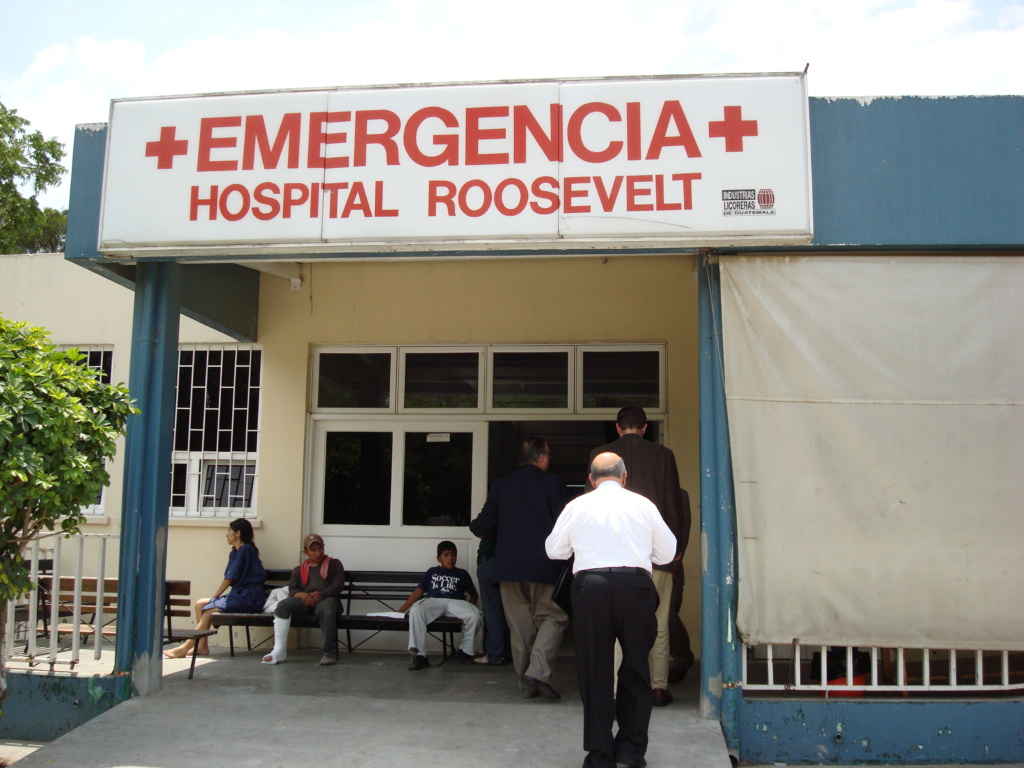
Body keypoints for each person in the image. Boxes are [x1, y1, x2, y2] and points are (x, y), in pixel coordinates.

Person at [545, 452, 676, 768]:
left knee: (595, 672)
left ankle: (599, 754)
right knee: (636, 669)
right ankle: (631, 751)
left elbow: (554, 550)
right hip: (636, 587)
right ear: (625, 476)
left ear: (591, 479)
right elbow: (668, 552)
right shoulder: (643, 505)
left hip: (591, 589)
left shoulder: (577, 506)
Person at [590, 404, 689, 707]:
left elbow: (590, 505)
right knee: (659, 624)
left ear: (617, 427)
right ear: (646, 428)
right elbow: (674, 505)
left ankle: (618, 690)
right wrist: (674, 554)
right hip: (655, 557)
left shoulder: (601, 454)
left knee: (616, 627)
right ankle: (658, 687)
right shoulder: (663, 456)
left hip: (613, 558)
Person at [470, 436, 569, 699]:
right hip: (544, 565)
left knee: (521, 624)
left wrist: (495, 538)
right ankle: (536, 674)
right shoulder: (553, 482)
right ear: (542, 457)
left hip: (508, 566)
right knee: (553, 617)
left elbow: (483, 523)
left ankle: (527, 679)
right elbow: (564, 523)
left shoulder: (501, 484)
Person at [164, 518, 266, 659]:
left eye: (229, 531)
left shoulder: (246, 550)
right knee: (200, 604)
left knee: (209, 611)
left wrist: (214, 597)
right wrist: (214, 599)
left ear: (238, 534)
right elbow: (230, 577)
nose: (226, 534)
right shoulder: (234, 552)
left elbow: (229, 578)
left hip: (249, 597)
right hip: (238, 595)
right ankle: (202, 646)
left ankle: (184, 647)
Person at [262, 533, 346, 667]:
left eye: (320, 548)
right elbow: (293, 590)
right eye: (313, 550)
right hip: (306, 602)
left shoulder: (334, 564)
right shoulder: (299, 570)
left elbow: (338, 586)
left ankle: (328, 653)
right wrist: (303, 596)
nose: (318, 553)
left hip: (327, 600)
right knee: (283, 605)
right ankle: (279, 651)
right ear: (305, 552)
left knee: (327, 607)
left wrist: (322, 594)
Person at [397, 540, 482, 670]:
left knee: (475, 616)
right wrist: (400, 611)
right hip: (434, 601)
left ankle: (464, 651)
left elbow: (473, 594)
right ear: (438, 558)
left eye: (453, 555)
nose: (450, 558)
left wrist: (470, 606)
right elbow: (418, 593)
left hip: (456, 603)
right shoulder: (432, 572)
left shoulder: (462, 574)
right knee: (416, 610)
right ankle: (421, 655)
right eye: (446, 555)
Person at [472, 526, 511, 666]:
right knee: (511, 608)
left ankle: (495, 654)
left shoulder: (495, 505)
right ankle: (510, 652)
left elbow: (477, 525)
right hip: (510, 561)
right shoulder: (517, 511)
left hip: (490, 559)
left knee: (492, 609)